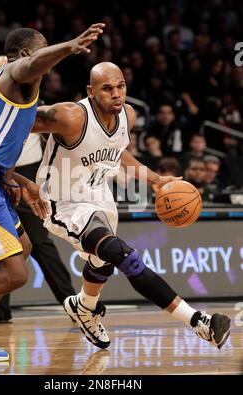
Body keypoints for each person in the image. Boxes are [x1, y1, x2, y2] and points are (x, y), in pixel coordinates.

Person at [31, 62, 230, 350]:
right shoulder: (71, 117)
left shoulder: (128, 115)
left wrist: (155, 179)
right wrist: (14, 177)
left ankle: (83, 307)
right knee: (124, 256)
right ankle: (200, 323)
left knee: (102, 261)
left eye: (120, 86)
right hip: (64, 203)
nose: (116, 94)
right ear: (90, 91)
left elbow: (118, 151)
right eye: (107, 88)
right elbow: (16, 120)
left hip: (99, 196)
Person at [0, 23, 105, 362]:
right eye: (43, 49)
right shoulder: (12, 73)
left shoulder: (19, 100)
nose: (47, 58)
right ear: (29, 54)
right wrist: (68, 45)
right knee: (16, 274)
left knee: (26, 247)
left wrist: (23, 182)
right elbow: (30, 65)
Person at [0, 56, 75, 323]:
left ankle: (72, 302)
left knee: (39, 242)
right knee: (0, 246)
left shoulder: (26, 95)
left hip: (26, 174)